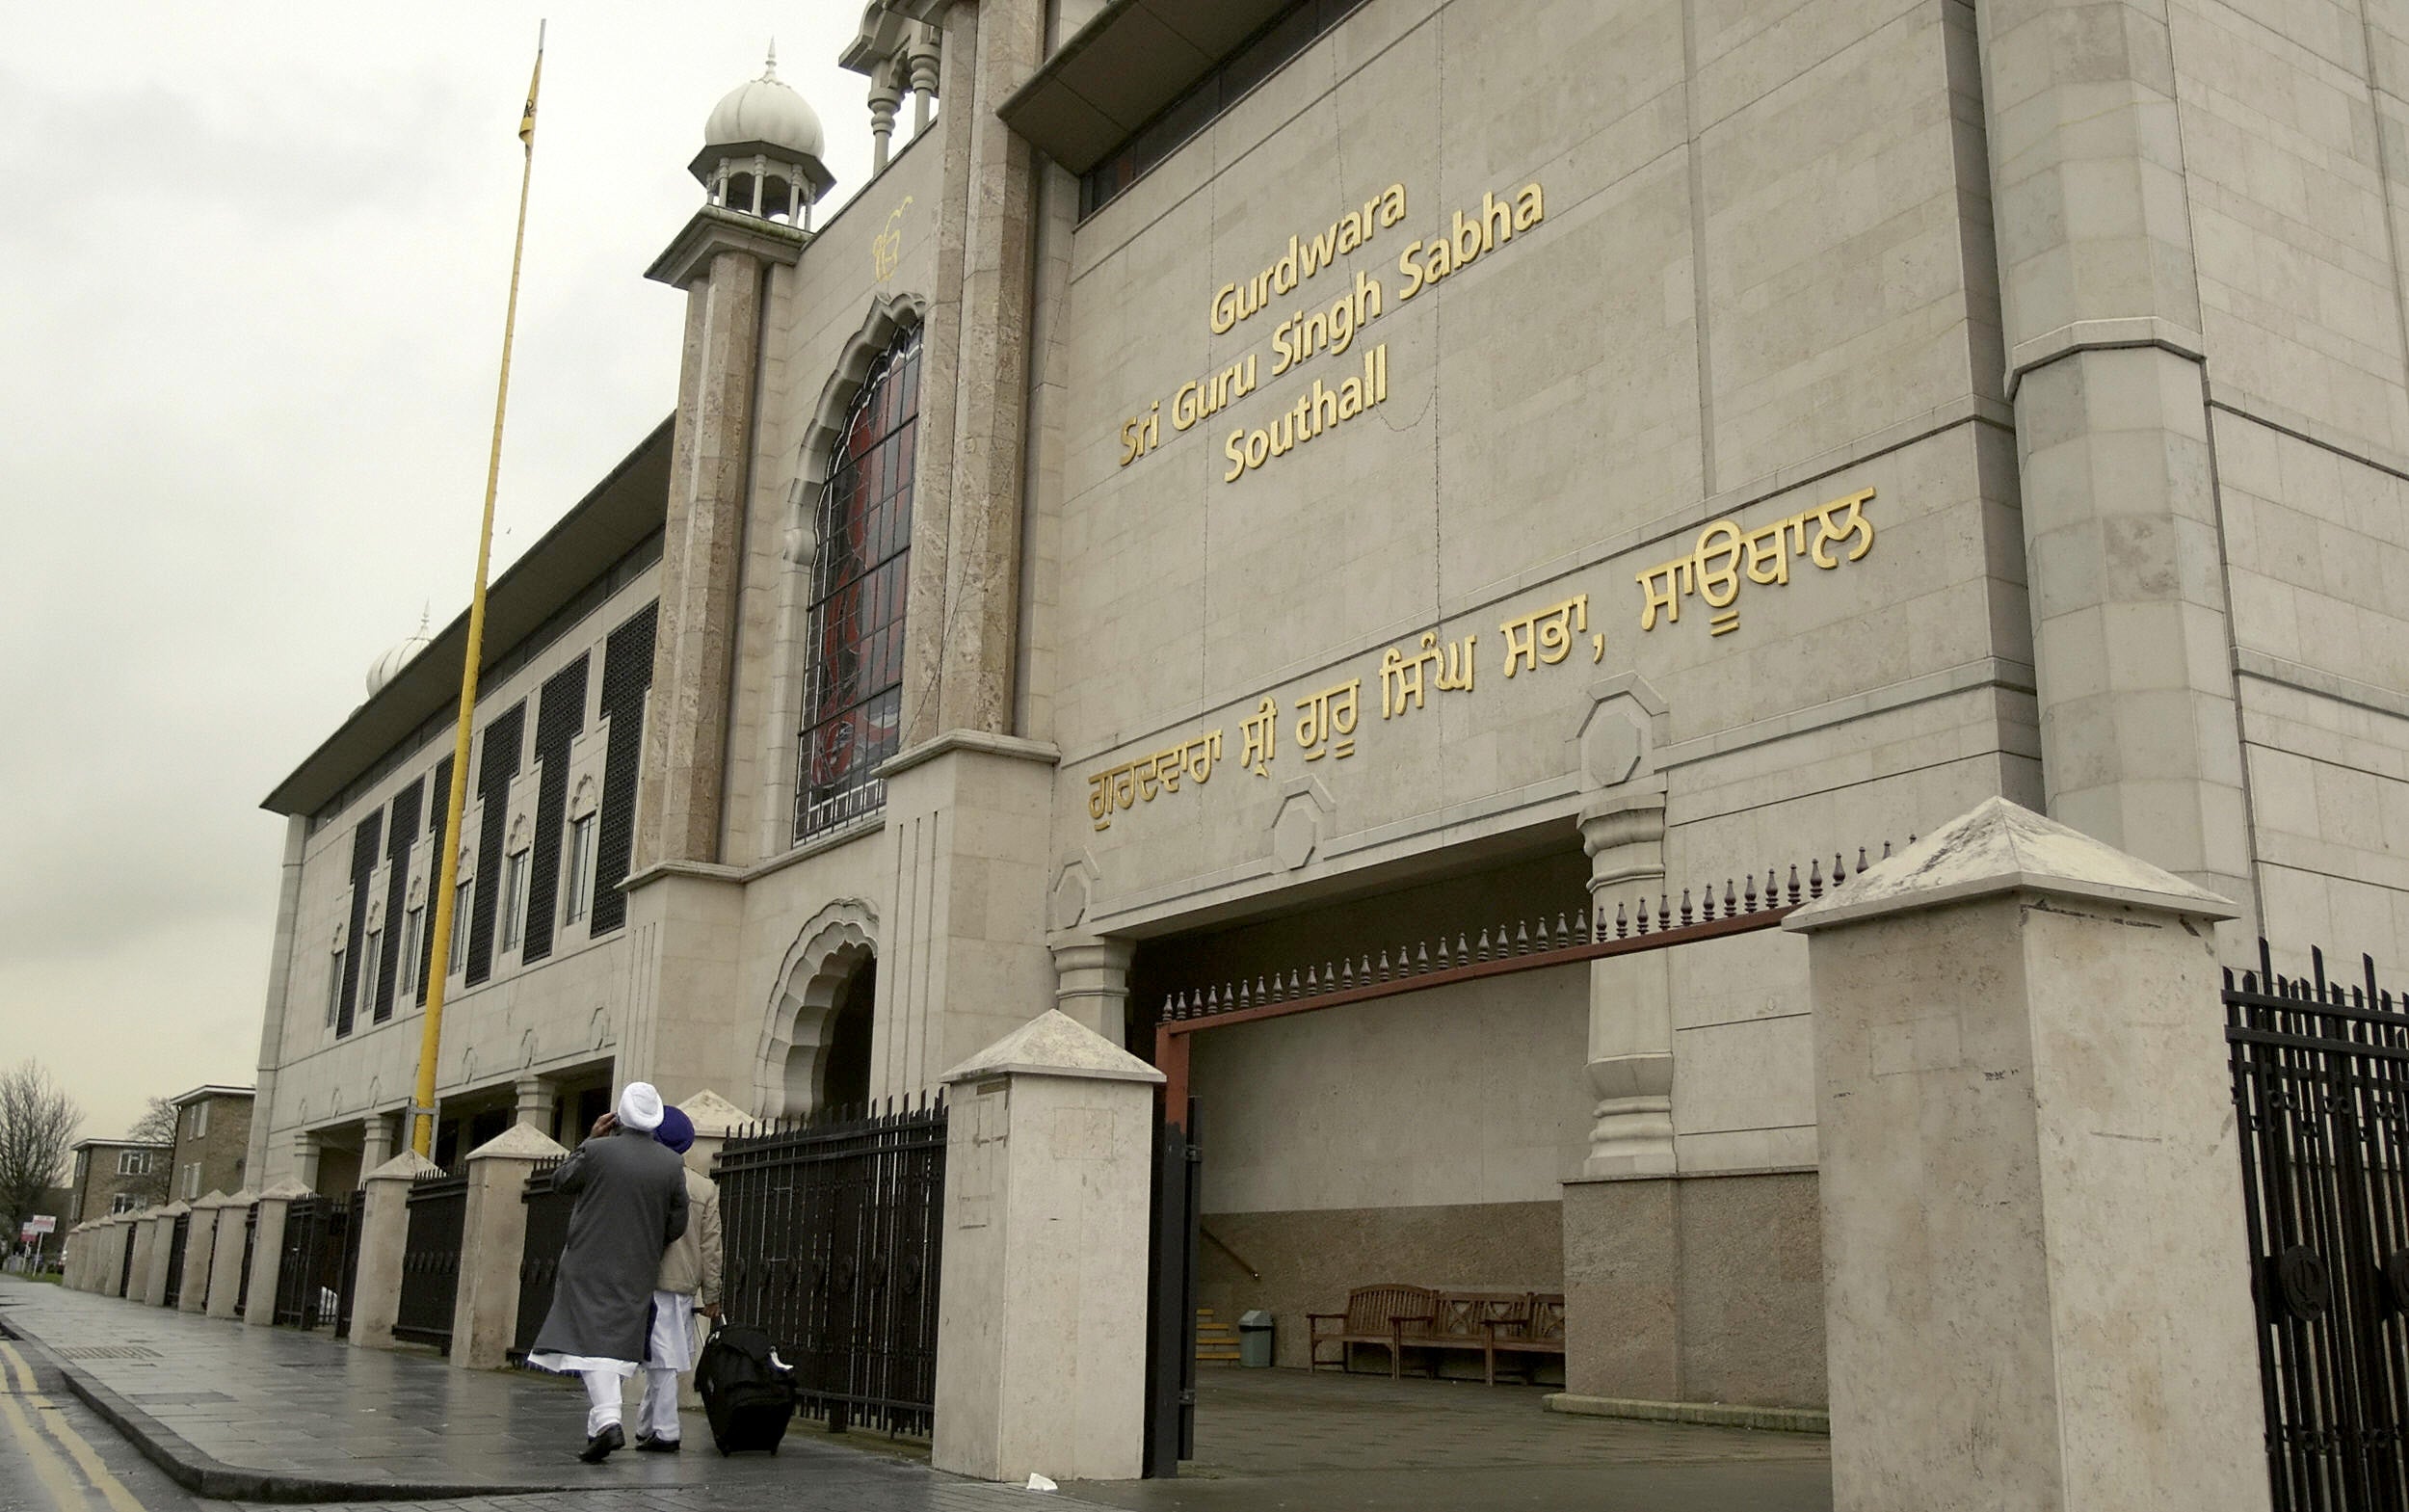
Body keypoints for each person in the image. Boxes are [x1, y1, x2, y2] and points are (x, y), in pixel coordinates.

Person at [526, 1082, 689, 1462]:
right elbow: (677, 1222)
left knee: (589, 1340)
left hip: (587, 1260)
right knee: (612, 1344)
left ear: (620, 1115)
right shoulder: (670, 1163)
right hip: (638, 1266)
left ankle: (608, 1421)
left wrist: (588, 1140)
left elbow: (561, 1182)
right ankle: (598, 1425)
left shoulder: (597, 1151)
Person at [632, 1104, 723, 1453]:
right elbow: (711, 1246)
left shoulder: (645, 1180)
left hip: (646, 1280)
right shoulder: (703, 1187)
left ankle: (667, 1430)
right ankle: (647, 1426)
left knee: (661, 1359)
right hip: (682, 1283)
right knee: (662, 1355)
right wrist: (711, 1292)